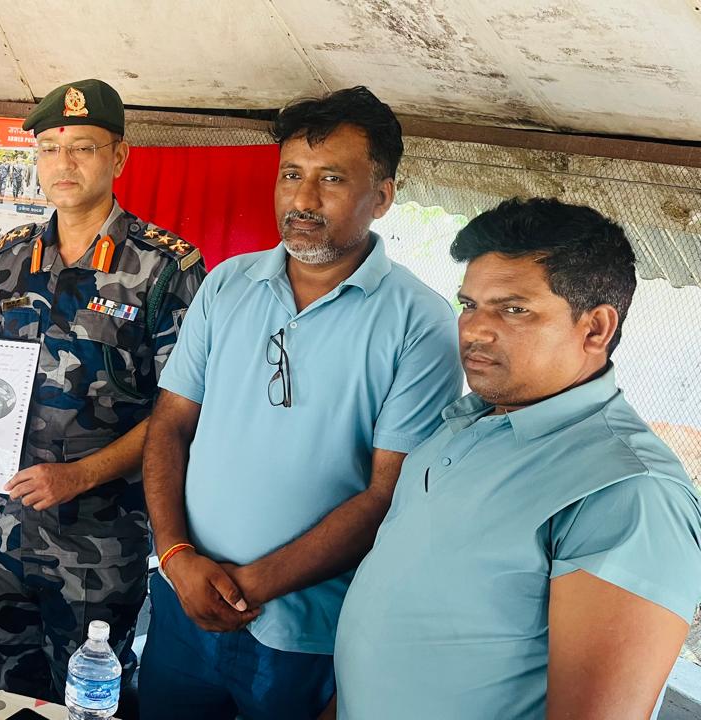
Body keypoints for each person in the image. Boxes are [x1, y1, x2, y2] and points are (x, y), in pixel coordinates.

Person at [139, 86, 463, 719]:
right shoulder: (227, 283)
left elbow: (388, 494)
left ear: (383, 196)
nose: (303, 199)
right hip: (183, 601)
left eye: (331, 179)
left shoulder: (421, 323)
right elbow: (172, 422)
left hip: (305, 630)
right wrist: (176, 557)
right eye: (291, 175)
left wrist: (242, 588)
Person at [333, 198, 701, 719]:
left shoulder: (629, 492)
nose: (474, 330)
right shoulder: (466, 424)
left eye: (514, 309)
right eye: (469, 305)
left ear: (595, 328)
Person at [0, 78, 206, 705]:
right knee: (4, 694)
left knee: (85, 702)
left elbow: (181, 412)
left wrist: (80, 475)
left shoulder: (166, 267)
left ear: (119, 156)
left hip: (98, 546)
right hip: (4, 533)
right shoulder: (12, 256)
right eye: (49, 149)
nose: (63, 164)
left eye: (83, 148)